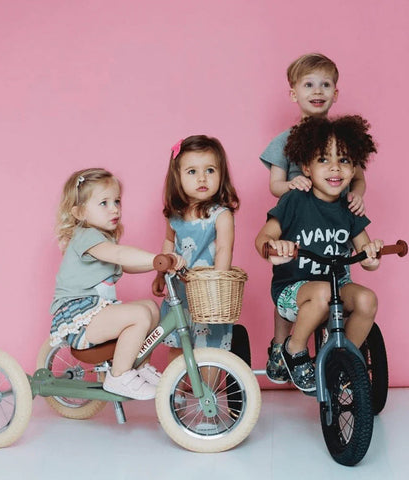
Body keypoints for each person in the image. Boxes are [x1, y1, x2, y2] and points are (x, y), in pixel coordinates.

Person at [260, 53, 368, 384]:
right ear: (294, 93)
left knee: (332, 278)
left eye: (325, 84)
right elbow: (274, 184)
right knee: (294, 275)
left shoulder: (341, 139)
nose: (317, 91)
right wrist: (291, 185)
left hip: (332, 215)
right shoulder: (286, 141)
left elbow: (358, 177)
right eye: (308, 84)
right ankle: (282, 347)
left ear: (335, 93)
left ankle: (337, 359)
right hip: (297, 219)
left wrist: (357, 194)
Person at [50, 168, 185, 400]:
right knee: (139, 316)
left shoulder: (103, 238)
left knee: (150, 308)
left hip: (96, 312)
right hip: (80, 318)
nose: (114, 208)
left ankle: (139, 366)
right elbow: (121, 255)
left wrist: (158, 264)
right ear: (80, 212)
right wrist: (155, 259)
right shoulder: (87, 236)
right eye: (104, 203)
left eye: (117, 201)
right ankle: (120, 375)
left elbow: (127, 264)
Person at [152, 135, 240, 364]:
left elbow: (223, 249)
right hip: (179, 291)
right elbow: (168, 245)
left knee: (210, 350)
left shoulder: (221, 215)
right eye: (192, 172)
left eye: (210, 170)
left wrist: (217, 285)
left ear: (221, 175)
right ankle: (177, 396)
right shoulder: (175, 216)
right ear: (178, 178)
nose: (202, 178)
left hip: (208, 294)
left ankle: (208, 393)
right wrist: (160, 275)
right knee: (179, 344)